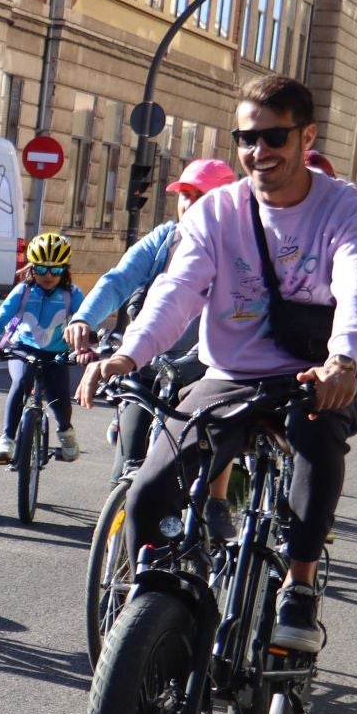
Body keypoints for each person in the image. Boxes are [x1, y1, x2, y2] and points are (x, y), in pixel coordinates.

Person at [77, 74, 357, 655]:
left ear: (306, 136)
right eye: (246, 139)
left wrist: (344, 359)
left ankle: (299, 585)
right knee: (148, 486)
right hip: (228, 376)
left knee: (316, 441)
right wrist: (127, 354)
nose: (258, 152)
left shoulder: (346, 209)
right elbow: (177, 292)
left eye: (273, 137)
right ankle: (162, 604)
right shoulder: (217, 212)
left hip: (313, 375)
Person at [65, 157, 238, 525]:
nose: (189, 204)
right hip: (147, 365)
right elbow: (118, 280)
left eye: (200, 195)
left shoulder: (240, 252)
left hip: (203, 377)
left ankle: (197, 539)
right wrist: (84, 318)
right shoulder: (165, 240)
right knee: (124, 473)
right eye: (184, 195)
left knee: (184, 480)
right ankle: (121, 562)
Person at [0, 232, 85, 465]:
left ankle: (66, 434)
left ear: (64, 270)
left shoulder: (72, 294)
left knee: (59, 399)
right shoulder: (23, 292)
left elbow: (87, 321)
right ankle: (6, 440)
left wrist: (87, 343)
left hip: (56, 354)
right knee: (21, 382)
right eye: (41, 269)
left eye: (55, 270)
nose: (48, 276)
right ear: (31, 268)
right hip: (22, 349)